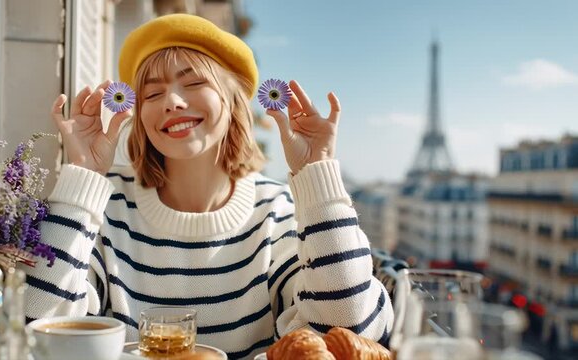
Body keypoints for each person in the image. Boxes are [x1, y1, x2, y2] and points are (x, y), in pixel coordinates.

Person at [21, 13, 393, 359]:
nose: (173, 102)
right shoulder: (105, 208)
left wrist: (318, 173)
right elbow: (35, 331)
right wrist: (81, 176)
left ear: (233, 102)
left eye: (195, 82)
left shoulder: (279, 212)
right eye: (152, 94)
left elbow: (345, 333)